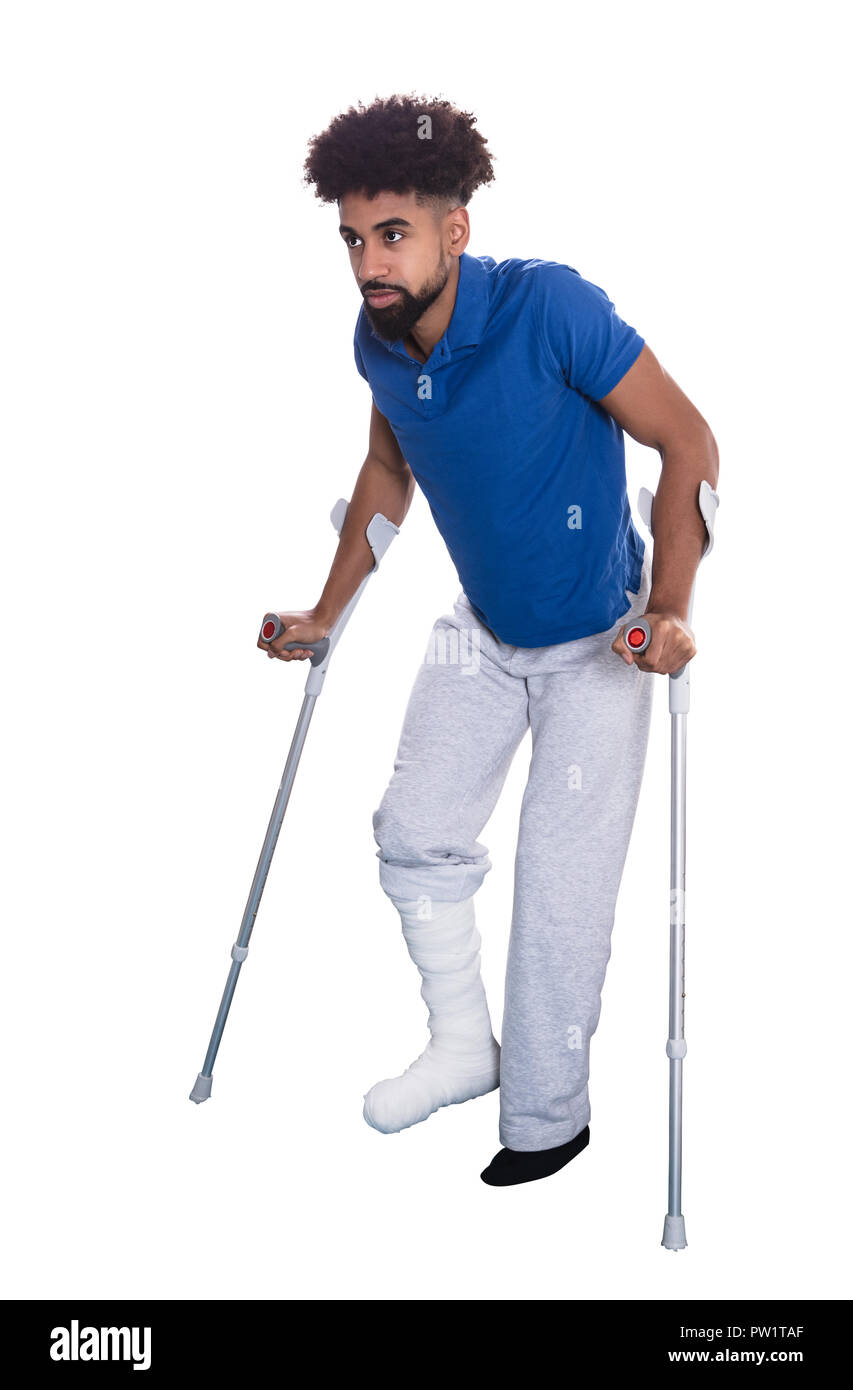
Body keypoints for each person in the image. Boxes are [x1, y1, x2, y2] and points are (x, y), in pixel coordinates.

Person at [258, 93, 719, 1186]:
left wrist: (673, 607)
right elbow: (387, 468)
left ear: (453, 229)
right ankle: (466, 1048)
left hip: (601, 643)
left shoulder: (550, 308)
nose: (368, 260)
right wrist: (324, 615)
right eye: (353, 240)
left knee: (556, 898)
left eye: (393, 234)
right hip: (482, 633)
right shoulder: (376, 341)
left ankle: (546, 1118)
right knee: (413, 832)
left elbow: (687, 437)